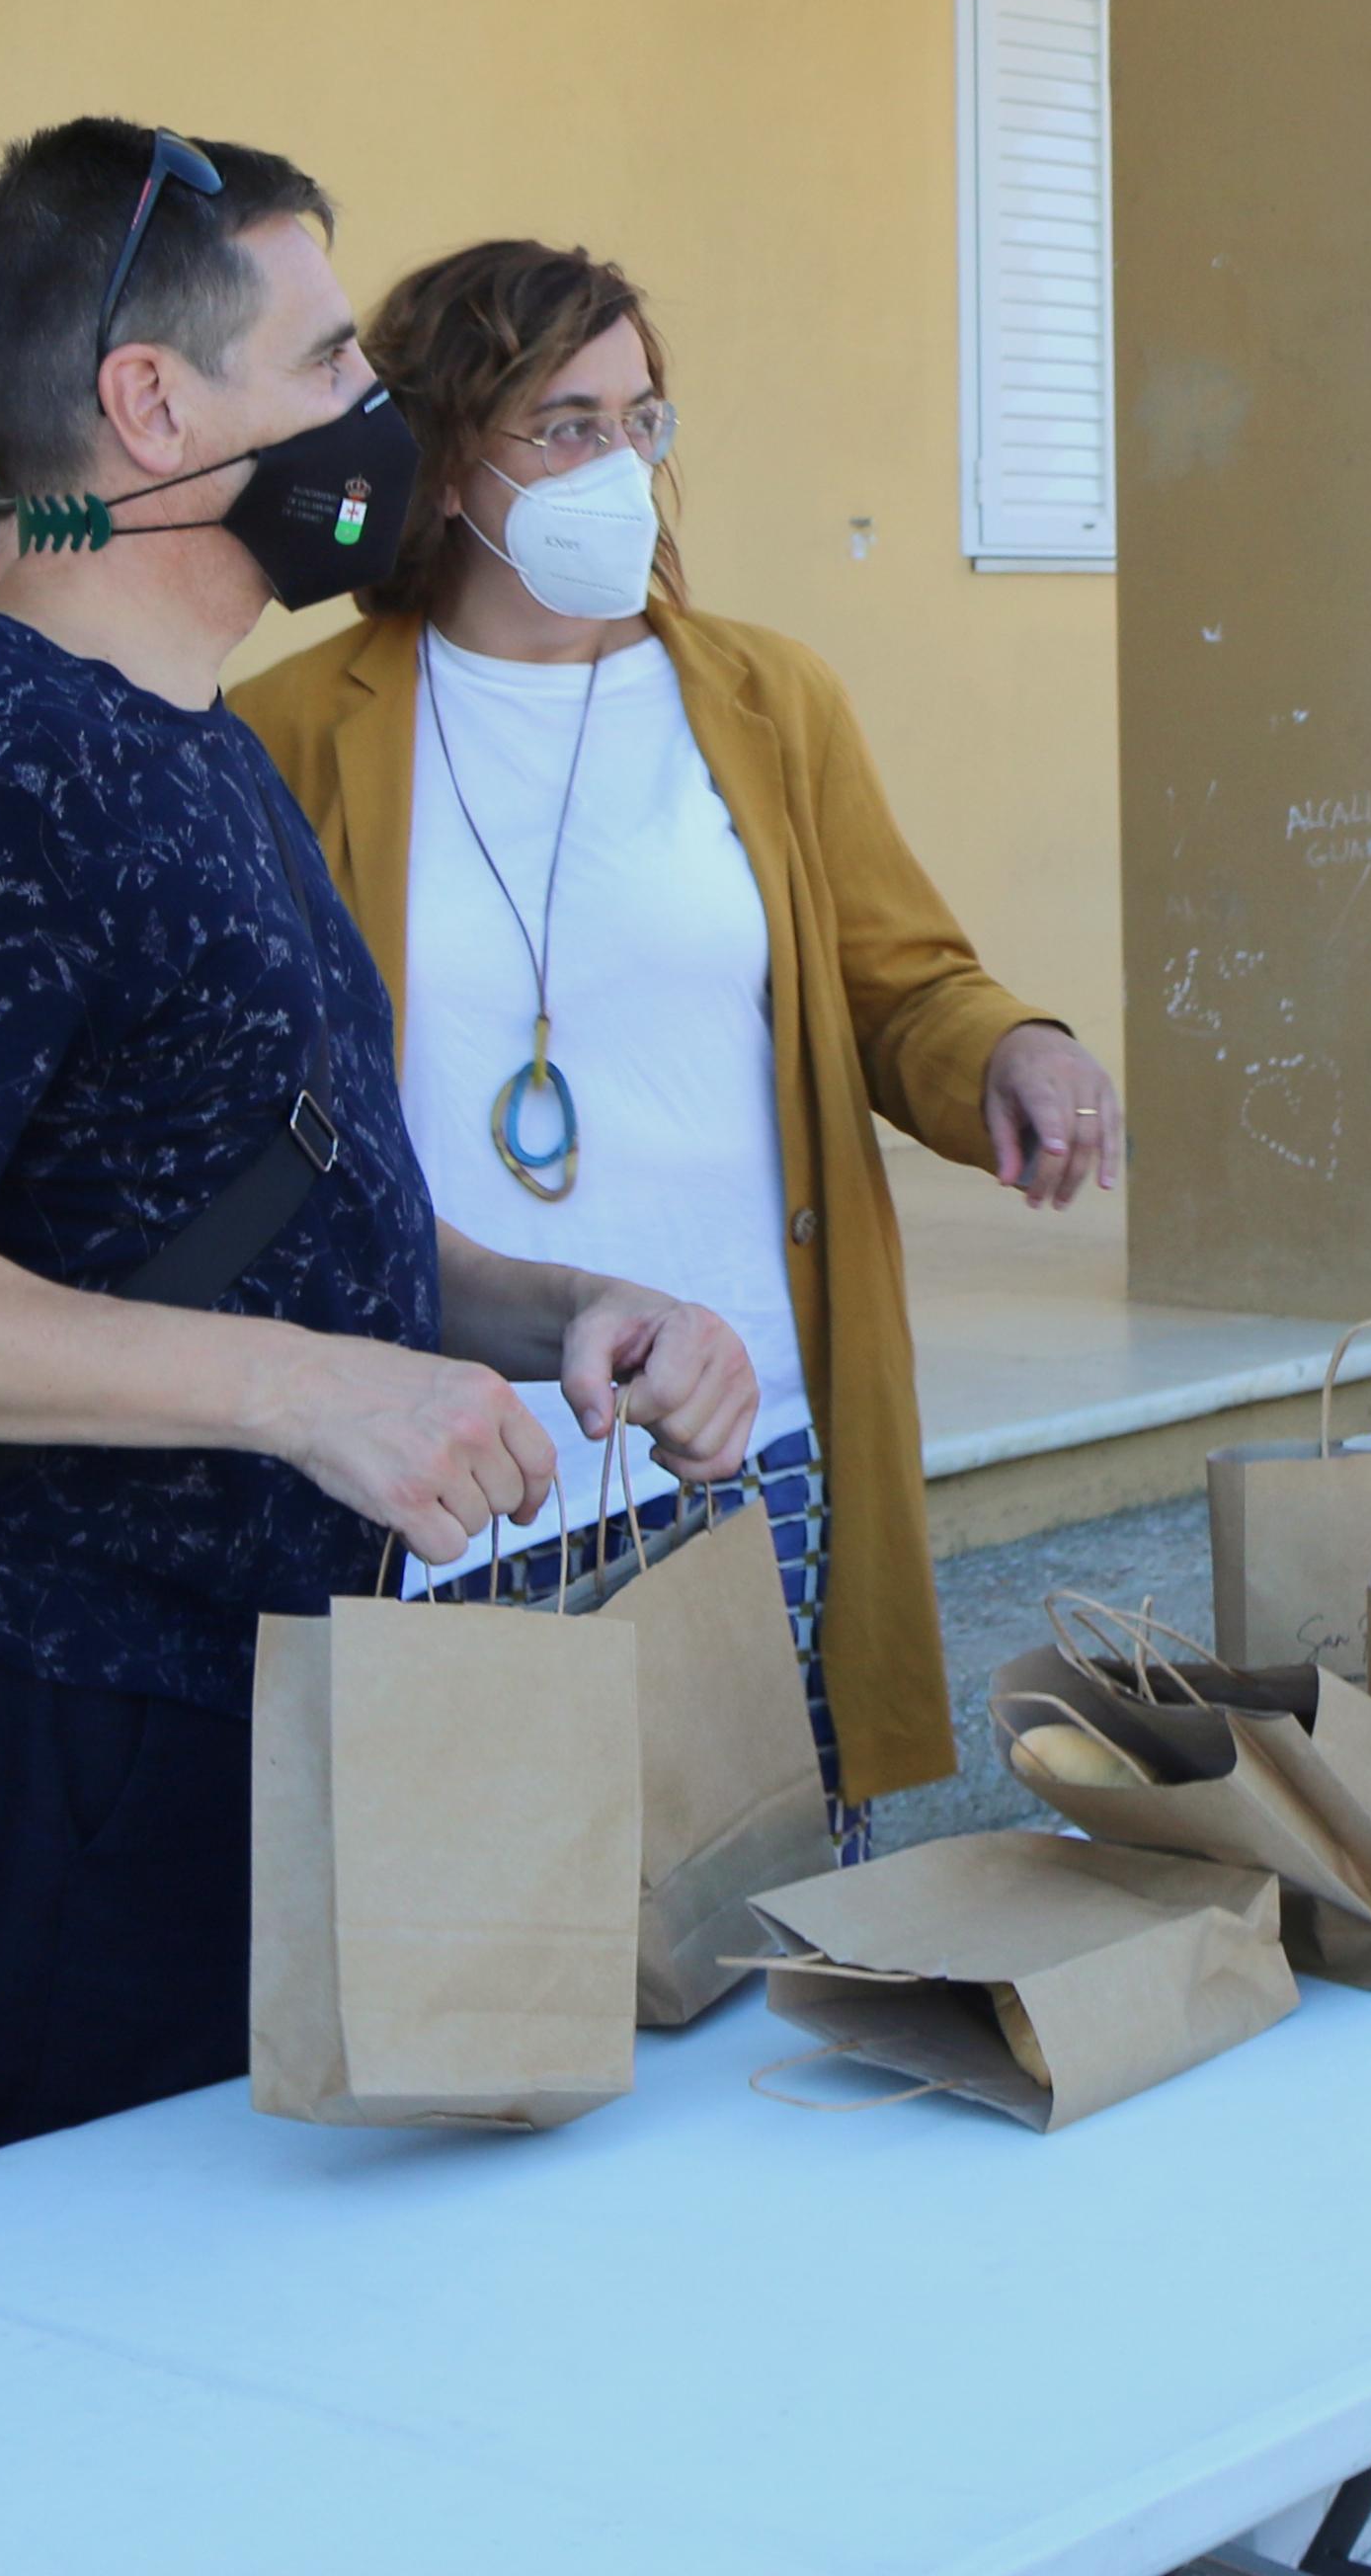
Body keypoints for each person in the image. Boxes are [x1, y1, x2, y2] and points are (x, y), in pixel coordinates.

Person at [0, 123, 764, 2174]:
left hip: (231, 1709)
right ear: (151, 406)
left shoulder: (189, 740)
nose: (377, 415)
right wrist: (311, 1391)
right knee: (106, 2402)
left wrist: (559, 1313)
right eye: (331, 357)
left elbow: (258, 1213)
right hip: (57, 1720)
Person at [233, 237, 1125, 1844]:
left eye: (643, 420)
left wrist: (1009, 1051)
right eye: (564, 426)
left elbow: (900, 978)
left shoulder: (766, 698)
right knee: (493, 1988)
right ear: (443, 466)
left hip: (744, 1455)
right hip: (449, 1474)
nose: (621, 465)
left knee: (776, 1969)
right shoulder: (294, 734)